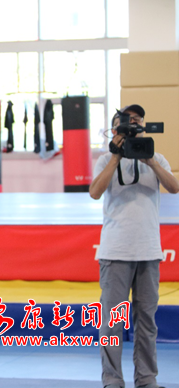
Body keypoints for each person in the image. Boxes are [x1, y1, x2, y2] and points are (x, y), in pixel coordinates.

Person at [89, 104, 179, 388]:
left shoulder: (157, 158)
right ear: (115, 129)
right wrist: (116, 156)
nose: (133, 126)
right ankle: (112, 379)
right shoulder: (105, 160)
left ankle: (146, 378)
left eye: (137, 121)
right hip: (115, 251)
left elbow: (174, 187)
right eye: (127, 122)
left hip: (148, 250)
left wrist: (151, 161)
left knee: (147, 321)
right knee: (112, 321)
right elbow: (94, 192)